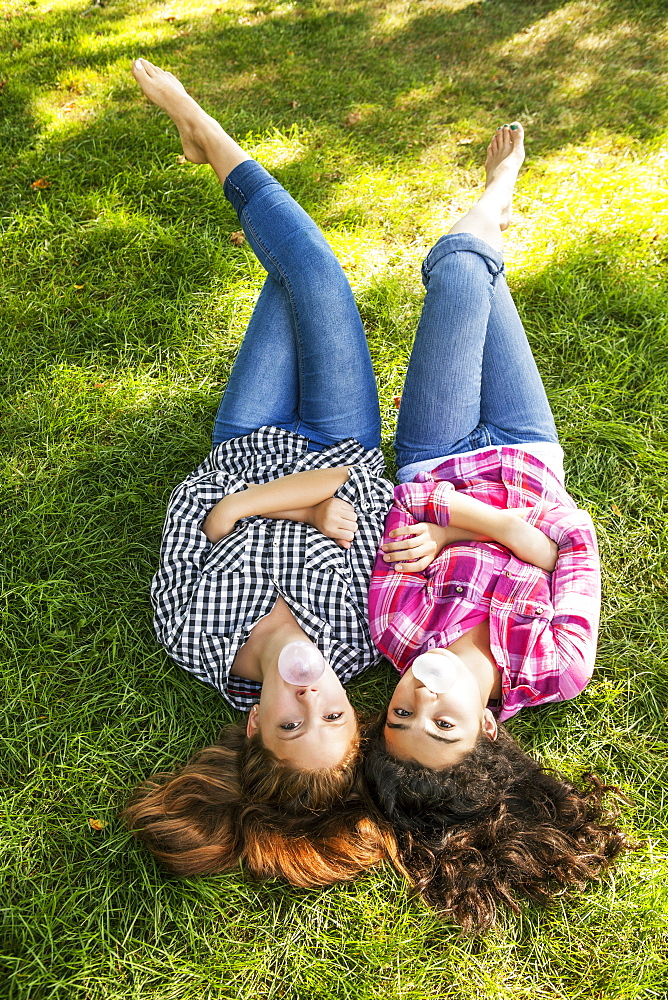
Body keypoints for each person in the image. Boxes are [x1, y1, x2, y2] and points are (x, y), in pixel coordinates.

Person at [122, 59, 399, 885]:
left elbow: (195, 509)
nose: (312, 696)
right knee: (313, 274)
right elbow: (359, 493)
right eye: (336, 713)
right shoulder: (360, 636)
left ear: (252, 730)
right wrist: (288, 509)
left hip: (244, 436)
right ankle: (201, 129)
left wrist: (254, 501)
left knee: (295, 273)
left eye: (292, 723)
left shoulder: (192, 636)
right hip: (342, 433)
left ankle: (212, 150)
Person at [363, 123, 628, 931]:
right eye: (440, 721)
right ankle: (497, 200)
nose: (418, 695)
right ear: (484, 729)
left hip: (433, 450)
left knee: (453, 271)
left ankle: (492, 204)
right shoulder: (556, 666)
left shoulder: (395, 628)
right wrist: (490, 530)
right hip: (526, 445)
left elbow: (404, 509)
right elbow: (575, 536)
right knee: (474, 274)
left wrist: (489, 533)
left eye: (399, 715)